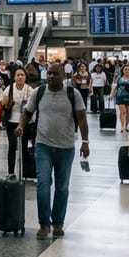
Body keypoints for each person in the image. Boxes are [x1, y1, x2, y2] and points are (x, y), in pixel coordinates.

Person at [16, 63, 89, 240]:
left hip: (66, 147)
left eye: (55, 74)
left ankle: (58, 223)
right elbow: (27, 112)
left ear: (63, 75)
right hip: (43, 145)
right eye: (49, 73)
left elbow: (81, 118)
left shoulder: (73, 94)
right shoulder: (39, 92)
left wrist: (85, 142)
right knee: (43, 184)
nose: (51, 77)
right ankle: (44, 224)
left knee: (62, 187)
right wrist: (20, 126)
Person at [0, 68, 36, 177]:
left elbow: (33, 107)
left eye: (22, 75)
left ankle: (25, 172)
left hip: (25, 122)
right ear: (14, 77)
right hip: (11, 121)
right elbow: (2, 104)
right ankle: (11, 172)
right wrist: (6, 103)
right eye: (18, 75)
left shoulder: (30, 90)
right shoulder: (9, 89)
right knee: (12, 145)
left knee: (24, 147)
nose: (20, 77)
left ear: (25, 77)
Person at [114, 63, 129, 132]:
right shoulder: (119, 78)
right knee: (123, 112)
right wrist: (111, 94)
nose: (127, 71)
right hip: (120, 96)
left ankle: (126, 125)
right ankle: (123, 126)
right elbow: (115, 86)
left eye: (128, 69)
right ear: (123, 71)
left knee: (128, 112)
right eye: (125, 69)